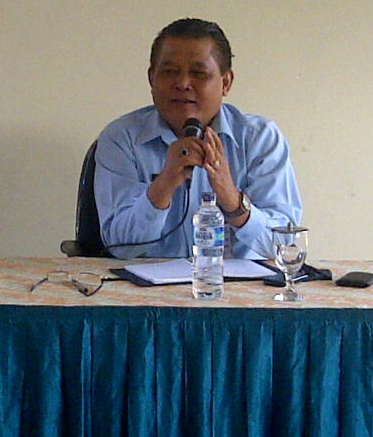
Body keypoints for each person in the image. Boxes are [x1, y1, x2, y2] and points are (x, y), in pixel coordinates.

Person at [94, 18, 302, 259]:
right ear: (151, 79)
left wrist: (232, 201)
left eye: (198, 73)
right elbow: (118, 245)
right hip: (146, 281)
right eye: (170, 72)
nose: (182, 84)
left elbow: (283, 246)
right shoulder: (122, 139)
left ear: (226, 83)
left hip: (238, 281)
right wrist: (163, 185)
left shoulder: (260, 139)